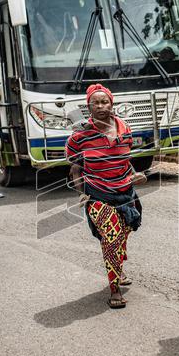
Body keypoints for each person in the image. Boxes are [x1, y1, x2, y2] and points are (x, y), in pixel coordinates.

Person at [66, 83, 147, 310]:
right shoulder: (79, 136)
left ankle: (118, 270)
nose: (101, 106)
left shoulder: (125, 128)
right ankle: (115, 290)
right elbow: (75, 168)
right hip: (97, 194)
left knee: (123, 233)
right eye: (96, 103)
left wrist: (135, 175)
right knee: (111, 238)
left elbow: (124, 160)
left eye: (105, 102)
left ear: (112, 104)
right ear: (88, 107)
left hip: (125, 192)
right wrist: (81, 193)